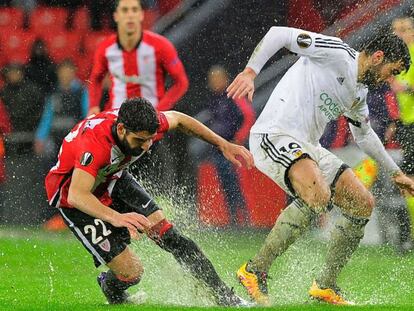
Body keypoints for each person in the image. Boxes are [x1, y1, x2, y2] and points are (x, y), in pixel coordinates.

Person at [227, 26, 414, 305]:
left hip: (308, 147)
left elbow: (363, 134)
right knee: (319, 194)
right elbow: (280, 34)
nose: (391, 79)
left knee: (363, 202)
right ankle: (254, 270)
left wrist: (396, 173)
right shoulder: (336, 53)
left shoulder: (358, 93)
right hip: (274, 134)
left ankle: (325, 285)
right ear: (378, 57)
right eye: (392, 71)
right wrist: (250, 72)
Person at [44, 97, 254, 306]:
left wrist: (222, 144)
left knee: (170, 236)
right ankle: (110, 285)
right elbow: (77, 194)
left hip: (113, 179)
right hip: (75, 200)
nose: (145, 147)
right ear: (121, 130)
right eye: (139, 140)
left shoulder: (146, 124)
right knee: (132, 274)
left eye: (150, 139)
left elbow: (179, 119)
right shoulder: (94, 144)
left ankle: (227, 298)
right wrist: (117, 217)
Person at [88, 0, 189, 114]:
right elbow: (95, 79)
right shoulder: (105, 48)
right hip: (116, 118)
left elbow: (181, 82)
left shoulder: (161, 46)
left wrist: (159, 111)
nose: (130, 15)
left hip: (150, 122)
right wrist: (93, 106)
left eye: (134, 10)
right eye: (125, 10)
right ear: (116, 16)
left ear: (141, 15)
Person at [190, 65, 255, 227]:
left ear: (225, 79)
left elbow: (248, 116)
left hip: (232, 147)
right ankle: (233, 218)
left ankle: (244, 218)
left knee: (233, 181)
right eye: (211, 79)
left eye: (216, 78)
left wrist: (238, 140)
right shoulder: (215, 99)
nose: (213, 82)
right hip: (219, 147)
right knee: (225, 181)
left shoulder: (233, 94)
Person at [390, 16, 414, 240]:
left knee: (408, 178)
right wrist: (394, 123)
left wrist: (405, 87)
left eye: (405, 29)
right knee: (406, 179)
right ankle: (406, 234)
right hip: (407, 125)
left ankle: (408, 235)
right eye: (396, 29)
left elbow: (404, 88)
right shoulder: (398, 57)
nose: (400, 33)